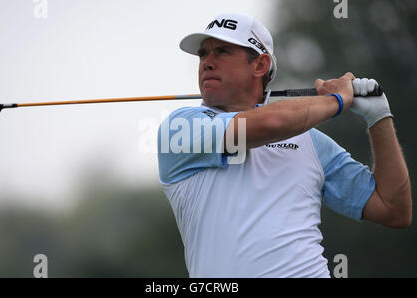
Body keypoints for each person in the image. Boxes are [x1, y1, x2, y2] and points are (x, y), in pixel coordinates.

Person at [157, 13, 412, 277]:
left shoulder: (311, 141)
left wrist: (378, 117)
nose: (206, 63)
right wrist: (337, 100)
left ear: (259, 65)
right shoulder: (181, 127)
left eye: (221, 51)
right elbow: (270, 123)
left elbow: (393, 209)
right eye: (202, 54)